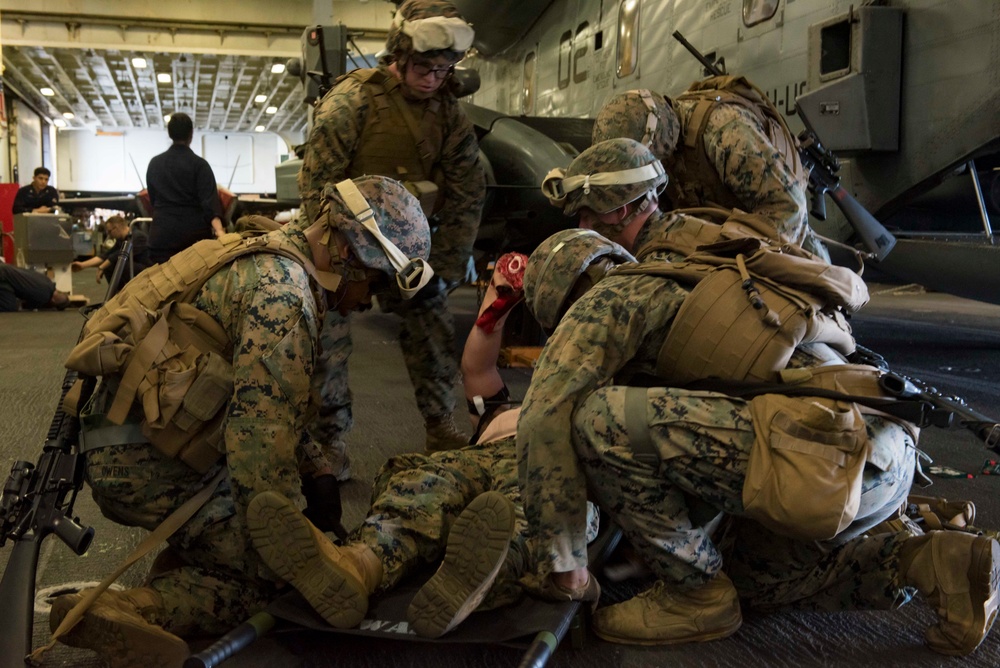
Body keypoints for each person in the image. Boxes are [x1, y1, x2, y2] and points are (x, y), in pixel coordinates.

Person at [516, 220, 1000, 654]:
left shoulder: (605, 299)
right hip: (880, 455)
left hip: (823, 462)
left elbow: (543, 419)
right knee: (751, 577)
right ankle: (936, 562)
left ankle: (694, 595)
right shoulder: (700, 271)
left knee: (598, 420)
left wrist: (564, 563)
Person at [45, 176, 435, 667]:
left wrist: (314, 466)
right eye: (373, 282)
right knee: (282, 583)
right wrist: (299, 544)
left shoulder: (260, 247)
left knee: (263, 547)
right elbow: (260, 449)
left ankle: (197, 555)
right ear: (345, 256)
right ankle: (138, 607)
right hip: (153, 467)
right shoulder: (286, 298)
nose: (366, 301)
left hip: (134, 437)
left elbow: (252, 395)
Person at [245, 248, 607, 641]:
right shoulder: (506, 405)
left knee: (533, 516)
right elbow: (477, 367)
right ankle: (357, 566)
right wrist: (497, 303)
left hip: (555, 468)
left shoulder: (594, 406)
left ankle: (478, 578)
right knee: (418, 488)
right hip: (479, 454)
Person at [297, 0, 486, 461]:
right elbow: (315, 191)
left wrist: (442, 268)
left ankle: (441, 428)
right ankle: (329, 443)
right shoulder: (350, 102)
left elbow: (467, 193)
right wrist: (329, 267)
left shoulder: (448, 115)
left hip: (408, 253)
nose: (432, 79)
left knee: (434, 327)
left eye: (444, 70)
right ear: (399, 55)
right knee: (326, 344)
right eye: (424, 67)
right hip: (345, 250)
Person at [591, 85, 827, 257]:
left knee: (819, 281)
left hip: (770, 225)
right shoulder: (661, 146)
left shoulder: (727, 135)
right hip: (718, 226)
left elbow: (789, 210)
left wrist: (735, 264)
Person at [145, 112, 224, 264]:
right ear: (191, 134)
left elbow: (153, 200)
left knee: (162, 285)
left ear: (169, 134)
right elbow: (209, 204)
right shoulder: (200, 165)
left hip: (161, 238)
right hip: (194, 240)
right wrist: (220, 231)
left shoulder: (154, 164)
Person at [70, 215, 152, 293]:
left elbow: (117, 255)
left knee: (119, 264)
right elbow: (107, 255)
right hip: (134, 267)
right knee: (112, 265)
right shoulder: (122, 239)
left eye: (110, 231)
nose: (109, 235)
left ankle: (120, 293)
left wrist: (102, 267)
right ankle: (118, 294)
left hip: (147, 269)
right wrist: (83, 265)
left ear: (116, 228)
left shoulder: (137, 236)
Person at [0, 262, 69, 311]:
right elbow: (27, 305)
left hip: (4, 268)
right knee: (9, 307)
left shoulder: (47, 280)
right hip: (3, 276)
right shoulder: (44, 297)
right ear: (54, 302)